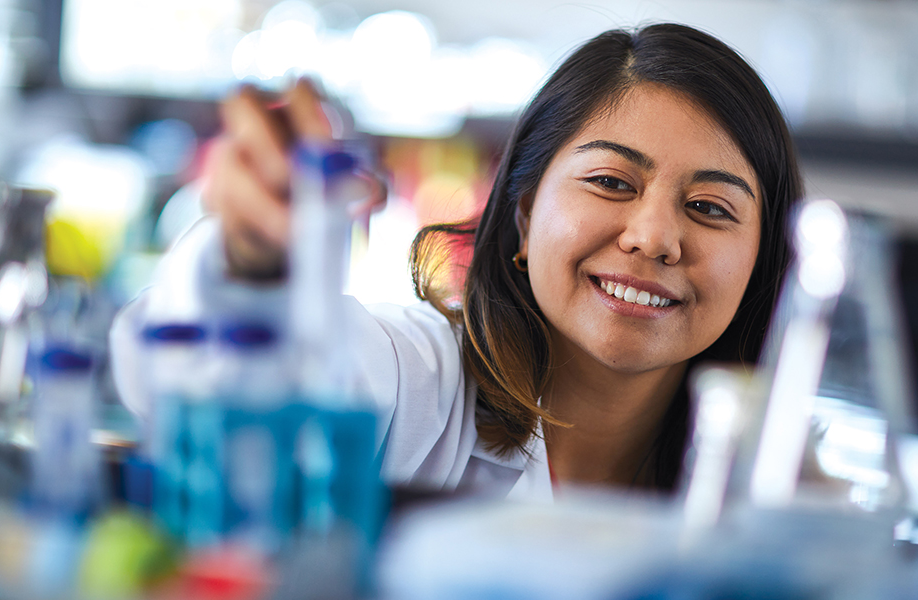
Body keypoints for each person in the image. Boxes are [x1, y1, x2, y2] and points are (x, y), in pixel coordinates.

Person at [110, 22, 802, 499]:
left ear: (763, 260)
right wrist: (251, 263)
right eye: (612, 183)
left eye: (711, 208)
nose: (654, 237)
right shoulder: (425, 386)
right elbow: (211, 386)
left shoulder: (775, 491)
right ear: (525, 216)